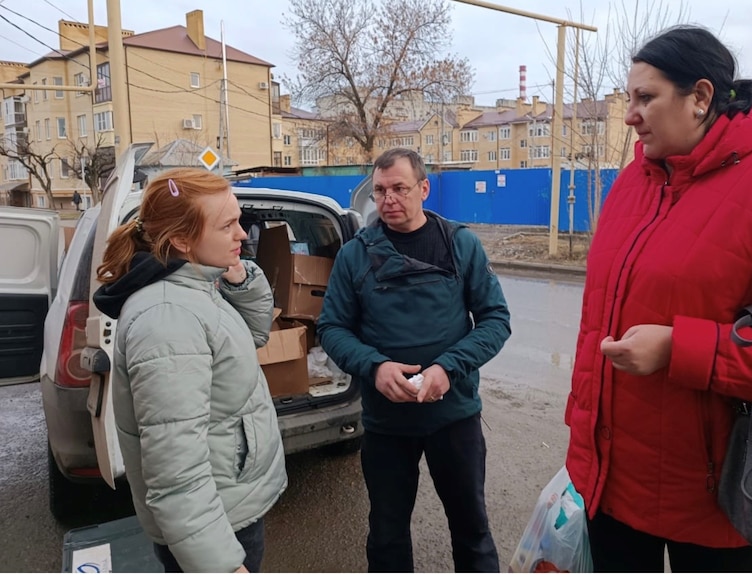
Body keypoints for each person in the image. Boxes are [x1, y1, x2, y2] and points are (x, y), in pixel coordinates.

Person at [565, 25, 752, 573]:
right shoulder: (634, 182)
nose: (629, 114)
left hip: (714, 494)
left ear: (700, 97)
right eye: (628, 98)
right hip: (609, 480)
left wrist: (682, 348)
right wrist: (582, 451)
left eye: (645, 98)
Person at [317, 148, 511, 572]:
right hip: (387, 425)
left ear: (423, 189)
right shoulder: (355, 254)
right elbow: (331, 328)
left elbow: (496, 320)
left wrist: (448, 366)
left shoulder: (459, 244)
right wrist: (374, 366)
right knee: (386, 534)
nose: (389, 199)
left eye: (400, 189)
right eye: (381, 190)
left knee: (472, 529)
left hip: (454, 416)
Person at [93, 168, 287, 573]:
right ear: (181, 240)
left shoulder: (193, 284)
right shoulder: (168, 318)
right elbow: (175, 472)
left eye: (239, 220)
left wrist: (236, 275)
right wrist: (220, 565)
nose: (243, 235)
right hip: (215, 525)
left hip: (228, 503)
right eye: (228, 225)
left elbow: (252, 333)